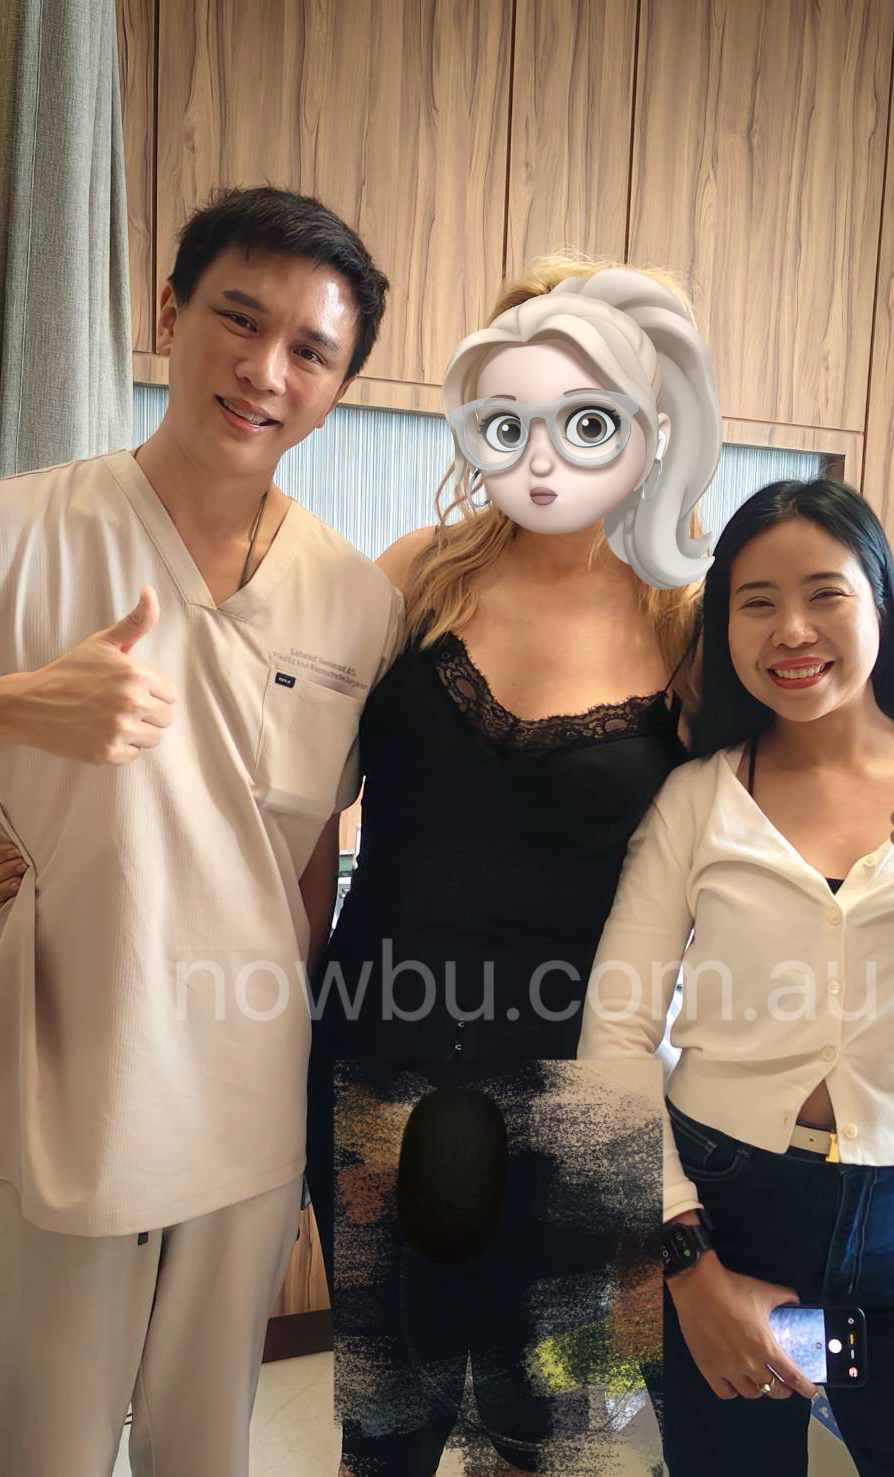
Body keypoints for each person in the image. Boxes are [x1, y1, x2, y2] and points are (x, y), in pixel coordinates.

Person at [0, 185, 400, 1476]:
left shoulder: (356, 601)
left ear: (337, 388)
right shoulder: (11, 532)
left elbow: (313, 852)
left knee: (203, 1443)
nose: (265, 370)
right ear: (168, 315)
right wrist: (13, 703)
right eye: (238, 318)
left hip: (246, 1087)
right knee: (41, 1442)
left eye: (310, 350)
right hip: (62, 1072)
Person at [576, 477, 894, 1477]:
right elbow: (613, 1040)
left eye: (825, 593)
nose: (792, 629)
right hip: (726, 1219)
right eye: (757, 601)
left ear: (881, 600)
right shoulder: (698, 800)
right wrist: (686, 1268)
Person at [305, 256, 722, 1473]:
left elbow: (752, 836)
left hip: (587, 1097)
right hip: (377, 1059)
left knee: (562, 1436)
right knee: (387, 1427)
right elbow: (290, 792)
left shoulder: (688, 625)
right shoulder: (415, 573)